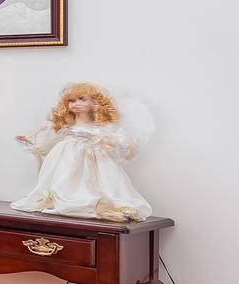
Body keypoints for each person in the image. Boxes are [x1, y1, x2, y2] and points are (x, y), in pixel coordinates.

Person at [11, 82, 150, 221]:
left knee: (104, 183)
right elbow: (50, 136)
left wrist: (99, 139)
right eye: (72, 100)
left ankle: (94, 203)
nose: (76, 103)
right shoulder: (67, 124)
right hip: (66, 158)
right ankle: (62, 200)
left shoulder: (102, 126)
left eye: (83, 99)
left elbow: (120, 141)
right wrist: (32, 140)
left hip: (96, 159)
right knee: (64, 178)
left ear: (96, 102)